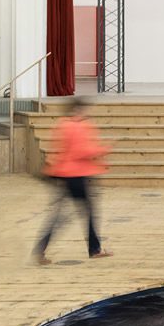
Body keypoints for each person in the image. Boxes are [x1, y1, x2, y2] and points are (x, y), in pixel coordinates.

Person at [32, 97, 112, 265]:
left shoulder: (63, 124)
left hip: (64, 174)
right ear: (78, 110)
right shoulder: (79, 126)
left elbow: (61, 149)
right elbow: (82, 151)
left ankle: (40, 250)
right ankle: (94, 249)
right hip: (77, 175)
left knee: (60, 216)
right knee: (87, 212)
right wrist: (103, 149)